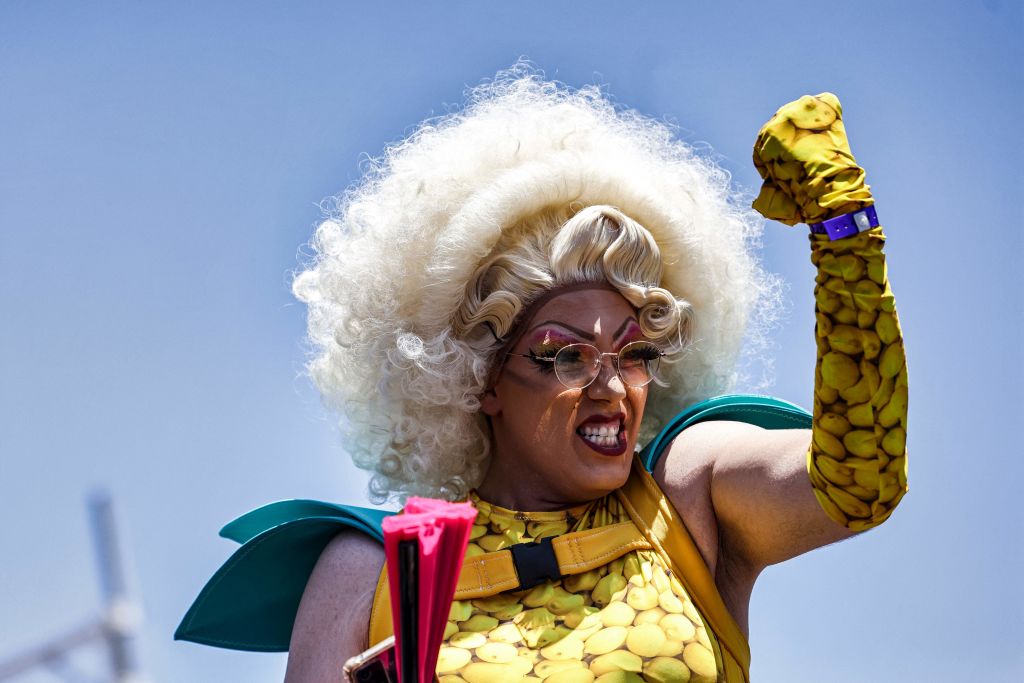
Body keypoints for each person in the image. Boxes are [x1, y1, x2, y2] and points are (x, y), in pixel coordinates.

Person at [177, 67, 907, 683]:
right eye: (568, 356)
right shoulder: (371, 569)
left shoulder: (685, 494)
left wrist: (844, 229)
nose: (613, 387)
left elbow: (861, 481)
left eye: (636, 353)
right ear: (480, 380)